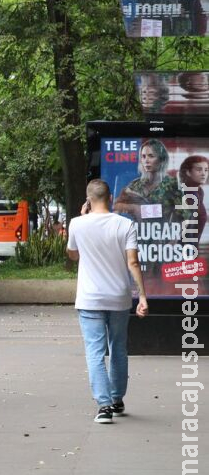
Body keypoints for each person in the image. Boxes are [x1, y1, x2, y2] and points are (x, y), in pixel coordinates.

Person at [67, 179, 149, 424]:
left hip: (90, 298)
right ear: (111, 198)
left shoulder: (77, 224)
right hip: (119, 297)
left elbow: (72, 255)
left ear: (88, 200)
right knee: (118, 349)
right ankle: (117, 399)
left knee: (94, 352)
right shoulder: (125, 224)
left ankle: (104, 407)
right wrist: (142, 296)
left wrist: (81, 219)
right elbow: (132, 263)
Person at [113, 138, 182, 223]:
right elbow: (116, 206)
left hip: (164, 233)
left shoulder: (173, 183)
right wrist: (134, 208)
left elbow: (182, 213)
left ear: (161, 159)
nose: (146, 160)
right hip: (137, 233)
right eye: (143, 156)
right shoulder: (135, 184)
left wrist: (139, 209)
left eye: (151, 156)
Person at [179, 155, 209, 243]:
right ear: (188, 172)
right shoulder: (189, 193)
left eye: (206, 170)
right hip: (184, 249)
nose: (203, 173)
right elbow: (188, 229)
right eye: (199, 170)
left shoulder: (199, 191)